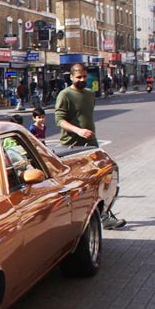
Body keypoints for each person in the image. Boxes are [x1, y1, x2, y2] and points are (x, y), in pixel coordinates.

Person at [55, 62, 125, 229]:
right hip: (71, 146)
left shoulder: (90, 94)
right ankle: (78, 219)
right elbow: (59, 120)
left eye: (84, 76)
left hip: (91, 144)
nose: (82, 79)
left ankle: (105, 213)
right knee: (75, 184)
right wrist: (78, 131)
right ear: (71, 77)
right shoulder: (65, 95)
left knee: (106, 175)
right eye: (78, 77)